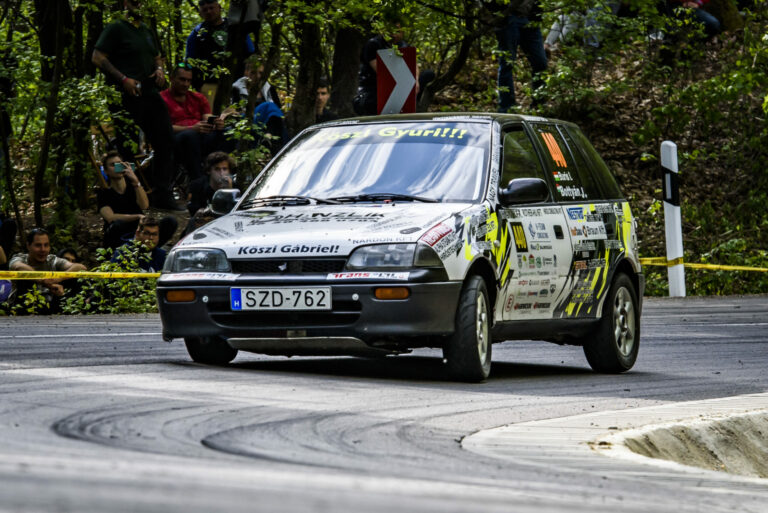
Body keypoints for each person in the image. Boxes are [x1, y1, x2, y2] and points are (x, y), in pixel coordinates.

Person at [92, 0, 181, 211]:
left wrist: (160, 70)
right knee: (127, 147)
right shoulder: (116, 28)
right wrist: (123, 79)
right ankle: (129, 195)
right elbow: (97, 57)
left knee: (165, 140)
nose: (139, 4)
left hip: (150, 93)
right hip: (126, 96)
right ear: (125, 3)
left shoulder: (147, 30)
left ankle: (163, 193)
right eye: (134, 1)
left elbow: (157, 56)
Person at [160, 64, 234, 181]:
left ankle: (222, 173)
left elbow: (207, 117)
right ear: (171, 79)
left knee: (228, 133)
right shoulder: (161, 99)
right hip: (177, 142)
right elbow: (163, 128)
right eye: (182, 79)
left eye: (188, 80)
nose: (185, 84)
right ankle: (198, 180)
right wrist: (191, 128)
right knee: (190, 135)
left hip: (201, 137)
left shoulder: (198, 97)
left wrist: (216, 122)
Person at [98, 150, 178, 250]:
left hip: (139, 229)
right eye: (112, 165)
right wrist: (137, 216)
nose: (117, 167)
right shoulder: (104, 193)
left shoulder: (133, 187)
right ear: (106, 170)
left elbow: (144, 205)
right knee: (117, 224)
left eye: (119, 164)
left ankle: (150, 249)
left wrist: (136, 182)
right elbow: (110, 217)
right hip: (119, 233)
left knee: (170, 221)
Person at [484, 0, 548, 112]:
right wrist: (498, 14)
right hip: (509, 18)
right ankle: (506, 107)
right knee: (507, 63)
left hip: (530, 19)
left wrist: (537, 12)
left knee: (541, 63)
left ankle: (539, 105)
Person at [8, 228, 86, 313]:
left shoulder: (52, 260)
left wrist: (58, 279)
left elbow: (80, 267)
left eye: (46, 245)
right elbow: (18, 267)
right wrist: (43, 281)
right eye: (38, 245)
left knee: (76, 279)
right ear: (28, 246)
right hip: (23, 307)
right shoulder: (20, 258)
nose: (43, 249)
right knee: (25, 278)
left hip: (50, 306)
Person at [186, 0, 256, 93]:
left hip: (238, 82)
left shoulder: (235, 27)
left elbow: (251, 54)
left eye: (211, 8)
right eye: (205, 10)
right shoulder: (197, 33)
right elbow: (189, 61)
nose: (209, 12)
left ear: (219, 7)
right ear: (200, 13)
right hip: (209, 86)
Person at [353, 17, 408, 116]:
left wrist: (415, 80)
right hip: (372, 89)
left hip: (399, 86)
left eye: (397, 31)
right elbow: (384, 72)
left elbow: (413, 65)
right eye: (390, 30)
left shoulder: (403, 45)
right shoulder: (374, 44)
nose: (393, 34)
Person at [187, 151, 235, 216]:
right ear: (209, 171)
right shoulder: (197, 185)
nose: (221, 173)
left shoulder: (234, 186)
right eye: (217, 169)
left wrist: (229, 190)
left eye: (225, 169)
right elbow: (193, 211)